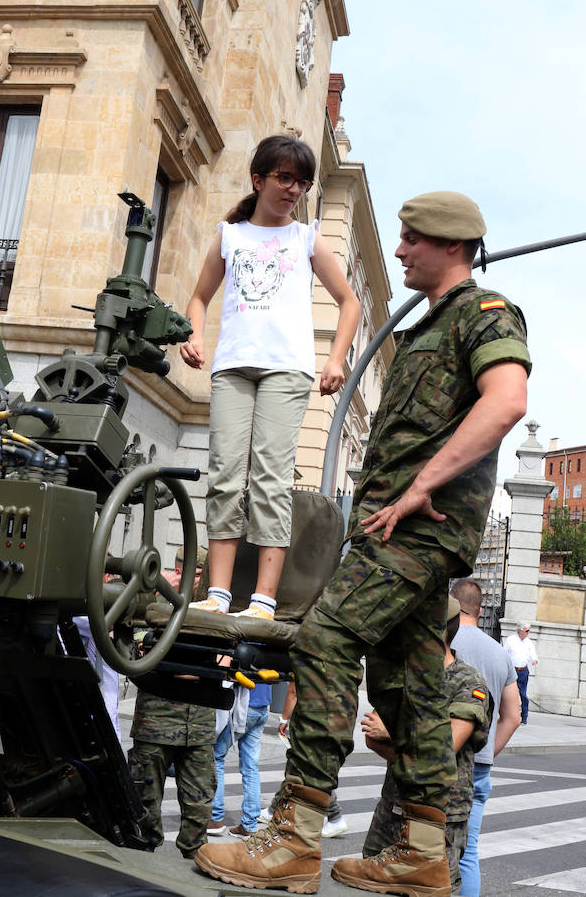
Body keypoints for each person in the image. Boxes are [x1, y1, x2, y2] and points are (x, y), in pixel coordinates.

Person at [194, 189, 530, 896]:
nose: (401, 250)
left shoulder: (484, 313)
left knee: (324, 638)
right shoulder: (423, 329)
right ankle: (424, 855)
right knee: (410, 691)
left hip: (416, 533)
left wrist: (419, 488)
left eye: (412, 239)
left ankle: (294, 838)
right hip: (395, 530)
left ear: (452, 247)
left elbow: (506, 402)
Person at [181, 134, 360, 621]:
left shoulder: (305, 238)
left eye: (302, 182)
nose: (294, 189)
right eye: (284, 178)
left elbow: (351, 303)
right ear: (258, 179)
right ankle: (218, 593)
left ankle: (263, 599)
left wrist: (336, 359)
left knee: (270, 478)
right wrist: (194, 335)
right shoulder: (230, 235)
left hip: (288, 368)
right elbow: (198, 298)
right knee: (224, 475)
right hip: (233, 366)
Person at [361, 596, 492, 895]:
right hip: (394, 804)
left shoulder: (468, 684)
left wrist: (393, 738)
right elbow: (372, 736)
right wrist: (409, 750)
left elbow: (444, 751)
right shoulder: (406, 678)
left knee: (431, 890)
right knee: (371, 883)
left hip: (440, 816)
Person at [127, 547, 216, 859]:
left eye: (205, 574)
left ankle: (194, 862)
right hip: (157, 720)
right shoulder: (155, 601)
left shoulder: (215, 608)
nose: (198, 579)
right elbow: (139, 651)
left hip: (200, 724)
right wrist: (190, 670)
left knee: (200, 806)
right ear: (180, 568)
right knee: (144, 804)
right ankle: (143, 859)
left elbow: (224, 657)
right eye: (195, 572)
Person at [451, 578, 521, 897]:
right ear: (480, 611)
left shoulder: (442, 641)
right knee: (467, 855)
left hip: (440, 756)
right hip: (478, 766)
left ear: (451, 605)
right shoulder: (499, 653)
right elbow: (513, 716)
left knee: (422, 849)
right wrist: (488, 751)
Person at [259, 680, 349, 838]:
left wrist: (284, 719)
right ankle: (273, 809)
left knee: (305, 768)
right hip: (330, 720)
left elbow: (293, 692)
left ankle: (335, 817)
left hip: (309, 722)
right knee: (303, 768)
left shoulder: (306, 658)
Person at [208, 680, 272, 839]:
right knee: (251, 768)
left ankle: (215, 819)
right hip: (263, 707)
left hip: (244, 705)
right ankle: (249, 825)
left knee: (216, 757)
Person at [504, 621, 538, 725]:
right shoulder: (510, 640)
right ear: (520, 631)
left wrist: (534, 660)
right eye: (526, 631)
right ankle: (507, 715)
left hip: (523, 671)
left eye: (529, 631)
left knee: (523, 694)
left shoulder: (529, 642)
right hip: (512, 671)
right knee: (508, 694)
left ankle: (524, 717)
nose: (528, 633)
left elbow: (534, 655)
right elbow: (504, 653)